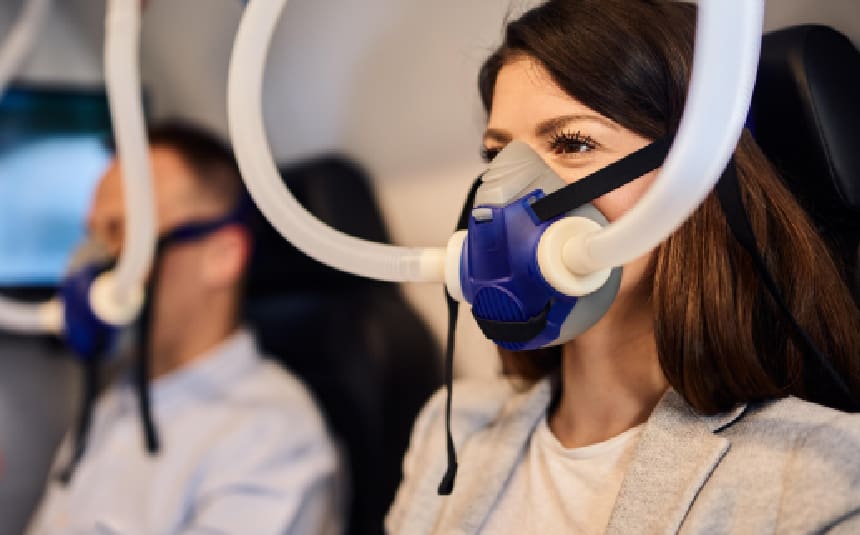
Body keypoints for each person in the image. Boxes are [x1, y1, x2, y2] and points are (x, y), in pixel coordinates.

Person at [387, 1, 860, 533]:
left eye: (572, 143)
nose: (506, 195)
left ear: (695, 176)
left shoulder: (821, 475)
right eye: (497, 156)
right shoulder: (453, 429)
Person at [28, 123, 343, 534]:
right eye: (95, 238)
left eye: (122, 232)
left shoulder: (271, 440)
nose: (92, 268)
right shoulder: (111, 406)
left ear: (223, 255)